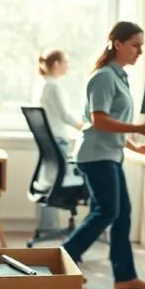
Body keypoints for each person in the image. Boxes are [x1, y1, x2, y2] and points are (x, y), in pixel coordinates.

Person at [61, 21, 145, 289]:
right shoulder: (104, 77)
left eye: (141, 46)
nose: (139, 52)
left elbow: (113, 122)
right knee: (107, 211)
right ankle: (61, 259)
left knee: (121, 215)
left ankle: (124, 277)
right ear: (117, 44)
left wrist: (133, 145)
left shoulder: (119, 76)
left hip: (109, 154)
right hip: (96, 156)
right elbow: (99, 120)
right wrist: (140, 129)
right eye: (135, 45)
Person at [32, 49, 84, 234]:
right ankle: (51, 228)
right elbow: (64, 115)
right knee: (59, 183)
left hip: (52, 141)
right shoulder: (53, 86)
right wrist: (84, 126)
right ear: (56, 64)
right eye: (65, 62)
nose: (67, 66)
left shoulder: (45, 85)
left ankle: (47, 227)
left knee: (49, 184)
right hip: (58, 140)